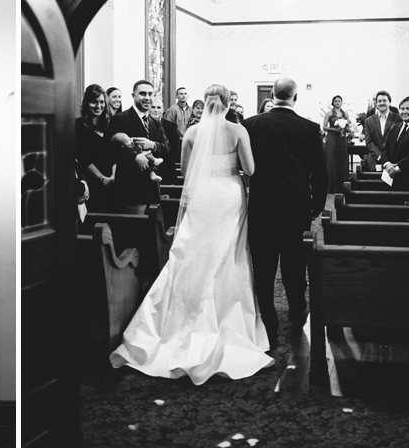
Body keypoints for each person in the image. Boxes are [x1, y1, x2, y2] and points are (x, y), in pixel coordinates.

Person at [109, 84, 272, 383]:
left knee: (194, 250)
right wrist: (231, 167)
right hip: (228, 195)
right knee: (227, 253)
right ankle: (224, 317)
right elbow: (249, 170)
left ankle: (177, 320)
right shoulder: (238, 131)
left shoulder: (194, 133)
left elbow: (186, 169)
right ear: (227, 103)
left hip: (202, 195)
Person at [244, 77, 328, 350]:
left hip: (262, 208)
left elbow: (245, 168)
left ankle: (267, 317)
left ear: (272, 94)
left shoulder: (252, 124)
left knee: (264, 267)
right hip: (296, 208)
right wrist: (316, 206)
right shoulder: (309, 128)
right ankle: (295, 309)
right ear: (294, 96)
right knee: (294, 264)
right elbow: (320, 172)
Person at [106, 80, 172, 215]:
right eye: (142, 94)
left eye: (150, 94)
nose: (147, 98)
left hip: (152, 190)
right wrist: (134, 157)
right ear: (133, 95)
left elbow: (168, 149)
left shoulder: (155, 123)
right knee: (133, 232)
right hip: (130, 189)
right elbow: (109, 150)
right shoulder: (121, 119)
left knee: (150, 232)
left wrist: (153, 145)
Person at [75, 84, 114, 212]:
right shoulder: (78, 125)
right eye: (94, 102)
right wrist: (101, 178)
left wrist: (113, 176)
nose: (98, 106)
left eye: (102, 102)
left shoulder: (111, 124)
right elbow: (82, 158)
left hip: (112, 181)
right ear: (86, 103)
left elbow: (116, 153)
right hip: (91, 182)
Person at [362, 90, 400, 171]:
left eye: (384, 100)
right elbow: (369, 142)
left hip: (393, 162)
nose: (382, 103)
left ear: (389, 102)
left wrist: (388, 159)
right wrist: (381, 157)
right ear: (376, 104)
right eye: (379, 101)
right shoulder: (368, 121)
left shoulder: (398, 119)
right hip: (375, 161)